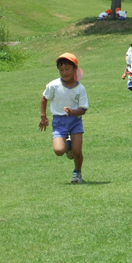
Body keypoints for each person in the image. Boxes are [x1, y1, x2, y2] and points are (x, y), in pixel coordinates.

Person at [39, 53, 89, 184]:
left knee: (77, 151)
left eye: (67, 69)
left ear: (75, 69)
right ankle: (68, 145)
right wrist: (43, 116)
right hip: (59, 122)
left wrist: (73, 112)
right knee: (59, 151)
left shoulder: (80, 88)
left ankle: (77, 172)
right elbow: (44, 98)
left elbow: (83, 109)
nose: (64, 72)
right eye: (61, 70)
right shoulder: (54, 85)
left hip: (75, 121)